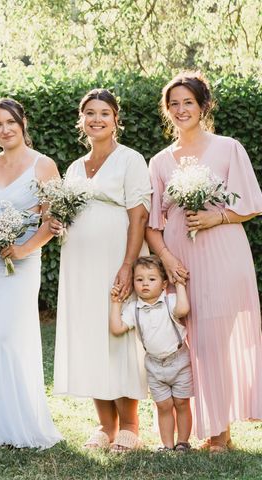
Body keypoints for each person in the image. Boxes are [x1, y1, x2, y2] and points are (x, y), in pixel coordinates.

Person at [146, 71, 262, 452]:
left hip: (224, 254)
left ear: (203, 106)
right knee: (188, 343)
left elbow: (251, 204)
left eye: (188, 103)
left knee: (215, 341)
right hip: (181, 261)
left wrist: (217, 216)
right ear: (167, 111)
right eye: (174, 104)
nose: (181, 110)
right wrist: (166, 259)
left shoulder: (229, 148)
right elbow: (153, 224)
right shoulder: (160, 161)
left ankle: (219, 432)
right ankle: (189, 430)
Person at [52, 88, 151, 452]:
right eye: (90, 113)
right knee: (91, 332)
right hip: (78, 261)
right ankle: (105, 425)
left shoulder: (130, 159)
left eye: (104, 113)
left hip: (115, 256)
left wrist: (128, 265)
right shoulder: (75, 167)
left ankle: (130, 425)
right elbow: (65, 212)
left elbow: (139, 216)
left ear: (115, 119)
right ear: (82, 120)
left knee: (119, 331)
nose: (96, 119)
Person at [0, 98, 62, 448]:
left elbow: (53, 220)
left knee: (9, 336)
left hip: (21, 263)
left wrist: (23, 249)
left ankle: (18, 421)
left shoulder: (43, 165)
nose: (5, 129)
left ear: (22, 123)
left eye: (10, 122)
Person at [109, 255, 192, 452]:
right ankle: (167, 445)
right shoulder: (133, 308)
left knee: (181, 402)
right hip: (154, 365)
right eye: (139, 279)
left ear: (164, 284)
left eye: (151, 279)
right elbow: (117, 328)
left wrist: (179, 285)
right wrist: (115, 303)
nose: (145, 283)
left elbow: (183, 309)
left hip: (179, 360)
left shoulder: (170, 301)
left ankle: (183, 442)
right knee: (163, 406)